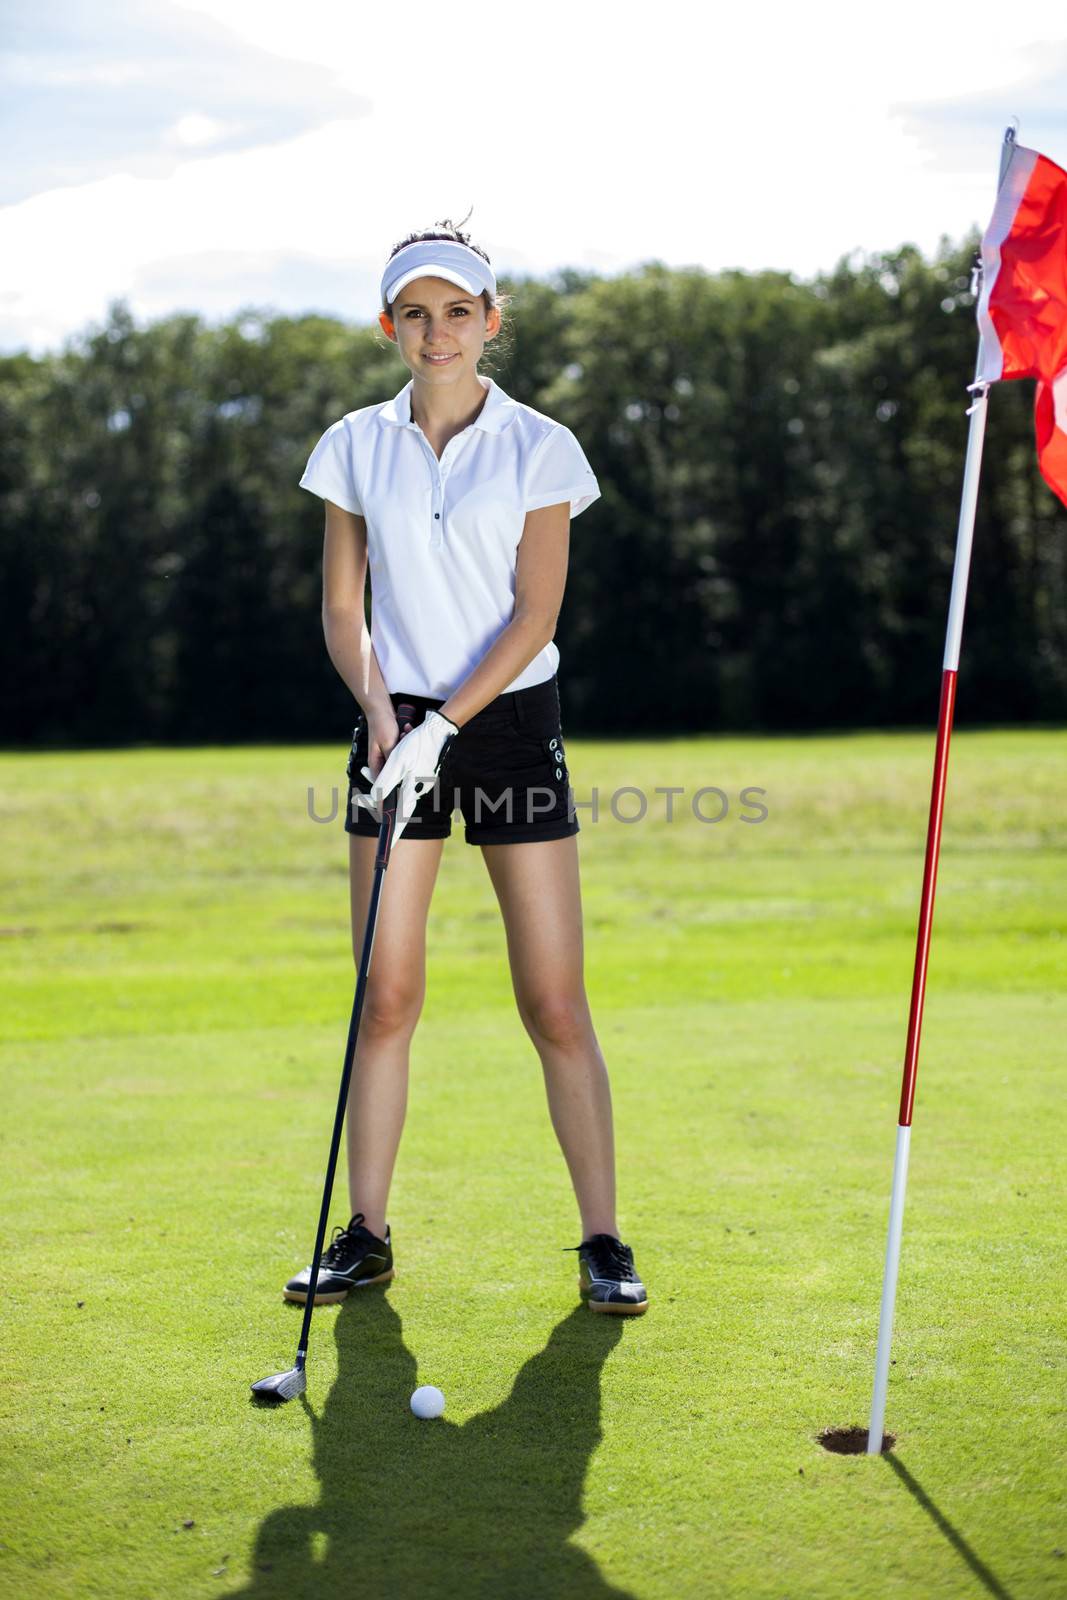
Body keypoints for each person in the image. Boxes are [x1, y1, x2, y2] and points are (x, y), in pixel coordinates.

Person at [285, 219, 647, 1315]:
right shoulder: (353, 441)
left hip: (504, 723)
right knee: (383, 994)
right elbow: (343, 606)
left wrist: (450, 722)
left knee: (552, 998)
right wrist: (383, 714)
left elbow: (536, 607)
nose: (435, 332)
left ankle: (602, 1241)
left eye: (456, 311)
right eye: (414, 312)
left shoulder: (543, 446)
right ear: (387, 325)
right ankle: (367, 1234)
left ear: (489, 321)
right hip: (391, 730)